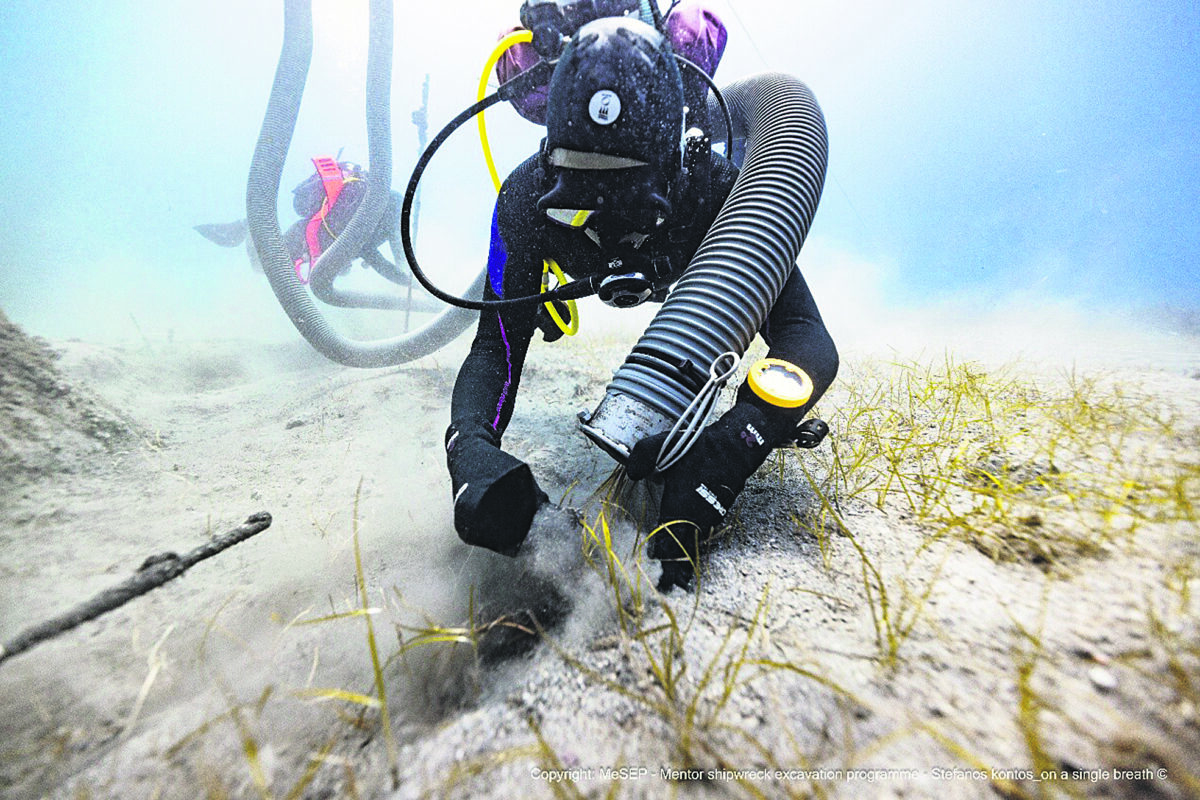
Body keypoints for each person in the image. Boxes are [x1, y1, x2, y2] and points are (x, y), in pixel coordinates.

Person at [445, 10, 838, 591]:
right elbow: (494, 348)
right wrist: (469, 448)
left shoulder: (713, 189)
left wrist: (735, 443)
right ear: (551, 164)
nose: (611, 227)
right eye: (580, 205)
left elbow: (807, 339)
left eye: (633, 207)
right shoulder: (526, 201)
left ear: (677, 166)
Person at [195, 157, 407, 287]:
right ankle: (251, 226)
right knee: (262, 266)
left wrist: (409, 279)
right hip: (305, 238)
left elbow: (400, 258)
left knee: (268, 266)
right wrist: (412, 285)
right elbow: (383, 263)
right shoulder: (370, 221)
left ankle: (252, 227)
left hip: (312, 237)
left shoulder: (380, 213)